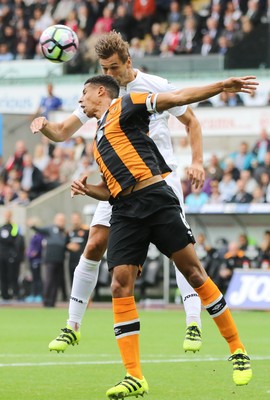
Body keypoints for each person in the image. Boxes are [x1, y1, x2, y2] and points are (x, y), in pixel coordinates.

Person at [40, 74, 256, 396]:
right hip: (125, 210)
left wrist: (220, 87)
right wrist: (89, 190)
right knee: (119, 283)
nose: (80, 100)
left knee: (194, 272)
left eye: (84, 93)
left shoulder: (128, 105)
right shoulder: (98, 139)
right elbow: (111, 189)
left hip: (156, 198)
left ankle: (237, 350)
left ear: (101, 91)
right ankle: (134, 376)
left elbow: (178, 98)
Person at [31, 31, 209, 355]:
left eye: (114, 68)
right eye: (104, 68)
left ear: (128, 61)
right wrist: (44, 125)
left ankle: (193, 322)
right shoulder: (102, 95)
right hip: (118, 183)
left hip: (159, 178)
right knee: (95, 242)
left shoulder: (154, 86)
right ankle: (72, 326)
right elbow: (61, 131)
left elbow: (192, 121)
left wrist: (197, 162)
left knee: (180, 251)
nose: (109, 75)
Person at [28, 213, 68, 307]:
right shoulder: (50, 229)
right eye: (59, 220)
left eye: (63, 220)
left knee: (56, 282)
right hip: (50, 259)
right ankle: (46, 301)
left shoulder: (64, 232)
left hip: (60, 260)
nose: (61, 222)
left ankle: (52, 302)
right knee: (49, 280)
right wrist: (33, 225)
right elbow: (39, 230)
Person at [66, 212, 89, 286]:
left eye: (77, 219)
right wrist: (69, 246)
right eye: (73, 219)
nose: (75, 221)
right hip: (72, 261)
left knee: (84, 282)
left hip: (83, 261)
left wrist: (80, 247)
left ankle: (92, 297)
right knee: (73, 282)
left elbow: (90, 244)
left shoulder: (86, 231)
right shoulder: (69, 232)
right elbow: (65, 245)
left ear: (80, 219)